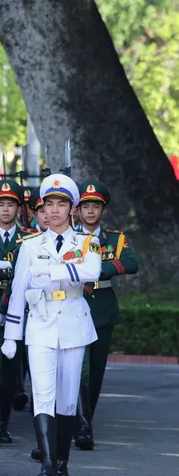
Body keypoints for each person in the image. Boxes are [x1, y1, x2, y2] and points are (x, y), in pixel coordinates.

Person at [2, 174, 101, 476]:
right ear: (42, 208)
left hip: (73, 322)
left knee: (68, 397)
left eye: (61, 204)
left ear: (72, 209)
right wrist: (11, 334)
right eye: (49, 204)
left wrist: (51, 270)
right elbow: (18, 292)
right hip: (41, 323)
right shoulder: (30, 246)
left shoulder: (86, 242)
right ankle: (47, 463)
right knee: (42, 394)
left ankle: (61, 461)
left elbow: (92, 270)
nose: (55, 210)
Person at [76, 180, 139, 449]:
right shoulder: (70, 237)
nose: (90, 211)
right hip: (75, 305)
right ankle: (81, 425)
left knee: (96, 372)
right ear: (77, 210)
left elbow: (131, 263)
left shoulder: (114, 239)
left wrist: (98, 269)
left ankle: (86, 419)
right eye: (86, 206)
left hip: (102, 307)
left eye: (96, 206)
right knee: (78, 369)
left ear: (103, 210)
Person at [0, 180, 35, 444]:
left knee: (12, 370)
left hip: (20, 312)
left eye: (11, 204)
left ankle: (2, 422)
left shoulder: (30, 239)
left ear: (18, 208)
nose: (6, 209)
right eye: (1, 204)